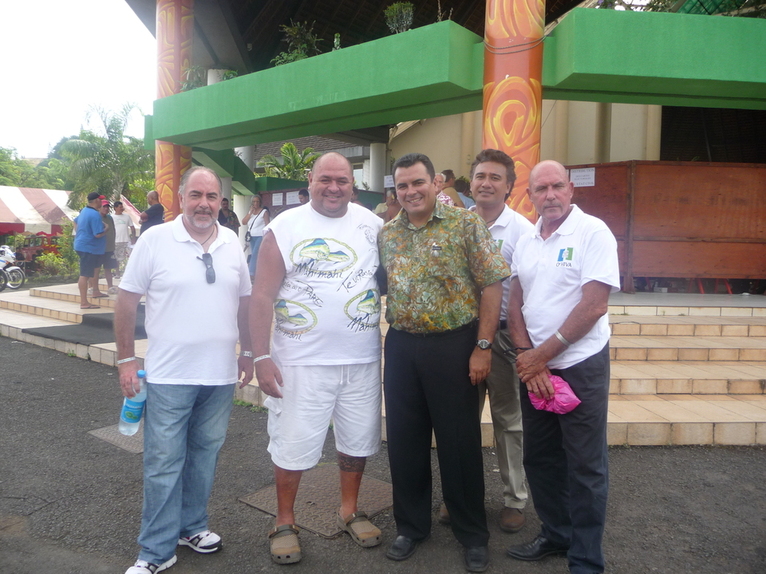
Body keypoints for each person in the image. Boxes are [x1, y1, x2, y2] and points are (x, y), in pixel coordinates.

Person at [114, 166, 253, 574]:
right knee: (163, 462)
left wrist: (248, 353)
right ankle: (156, 551)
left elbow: (245, 301)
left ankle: (191, 527)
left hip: (219, 376)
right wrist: (126, 360)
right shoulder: (155, 240)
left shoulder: (231, 241)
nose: (204, 204)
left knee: (204, 457)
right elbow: (126, 301)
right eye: (196, 195)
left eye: (211, 196)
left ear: (220, 202)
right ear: (180, 198)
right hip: (169, 376)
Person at [250, 152, 384, 565]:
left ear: (353, 184)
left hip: (361, 358)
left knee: (357, 439)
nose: (333, 188)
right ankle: (284, 521)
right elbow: (261, 295)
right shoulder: (284, 227)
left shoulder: (373, 224)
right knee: (292, 442)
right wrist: (260, 356)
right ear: (310, 180)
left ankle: (350, 510)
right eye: (325, 179)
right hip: (300, 361)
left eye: (342, 180)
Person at [379, 152, 509, 573]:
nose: (411, 191)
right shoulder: (388, 233)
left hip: (455, 345)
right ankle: (411, 526)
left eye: (418, 182)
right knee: (405, 441)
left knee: (459, 443)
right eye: (402, 185)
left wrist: (483, 346)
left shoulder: (465, 224)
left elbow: (492, 284)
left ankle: (472, 533)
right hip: (402, 346)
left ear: (435, 183)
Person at [505, 160, 620, 574]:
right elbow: (515, 301)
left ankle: (585, 559)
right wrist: (527, 355)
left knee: (586, 465)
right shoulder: (526, 239)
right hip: (536, 369)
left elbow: (594, 305)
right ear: (530, 195)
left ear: (570, 189)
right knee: (540, 457)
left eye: (557, 186)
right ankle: (556, 534)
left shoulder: (593, 232)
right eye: (541, 189)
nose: (550, 195)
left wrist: (541, 356)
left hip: (580, 364)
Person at [469, 149, 534, 532]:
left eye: (495, 177)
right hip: (464, 337)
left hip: (507, 337)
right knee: (461, 420)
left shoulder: (522, 231)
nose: (486, 183)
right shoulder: (458, 224)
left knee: (508, 421)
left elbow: (527, 291)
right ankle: (462, 497)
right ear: (471, 183)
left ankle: (514, 499)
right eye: (480, 176)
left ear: (509, 186)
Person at [73, 191, 106, 309]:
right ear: (96, 200)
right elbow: (98, 234)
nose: (102, 202)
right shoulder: (95, 214)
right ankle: (84, 302)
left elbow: (75, 221)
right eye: (100, 200)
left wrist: (80, 232)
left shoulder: (84, 211)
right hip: (88, 248)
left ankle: (95, 291)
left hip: (86, 246)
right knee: (85, 274)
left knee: (94, 270)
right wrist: (106, 229)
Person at [241, 195, 270, 281]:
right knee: (255, 255)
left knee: (254, 254)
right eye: (254, 202)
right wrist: (250, 213)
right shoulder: (251, 212)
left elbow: (268, 224)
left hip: (260, 236)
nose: (256, 203)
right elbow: (244, 222)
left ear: (260, 202)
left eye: (257, 201)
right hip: (251, 236)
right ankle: (258, 272)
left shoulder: (264, 212)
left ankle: (251, 273)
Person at [93, 200, 118, 295]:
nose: (106, 208)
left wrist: (113, 244)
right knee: (96, 269)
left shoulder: (110, 218)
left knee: (108, 268)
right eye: (104, 206)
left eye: (107, 207)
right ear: (99, 207)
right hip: (99, 248)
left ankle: (110, 287)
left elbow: (113, 230)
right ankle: (92, 287)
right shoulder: (95, 217)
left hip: (109, 247)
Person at [112, 200, 135, 275]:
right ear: (115, 208)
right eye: (120, 207)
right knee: (117, 258)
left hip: (126, 240)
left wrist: (133, 238)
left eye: (122, 207)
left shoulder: (127, 216)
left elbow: (132, 227)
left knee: (130, 257)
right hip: (116, 241)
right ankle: (117, 273)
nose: (122, 208)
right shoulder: (112, 217)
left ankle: (130, 272)